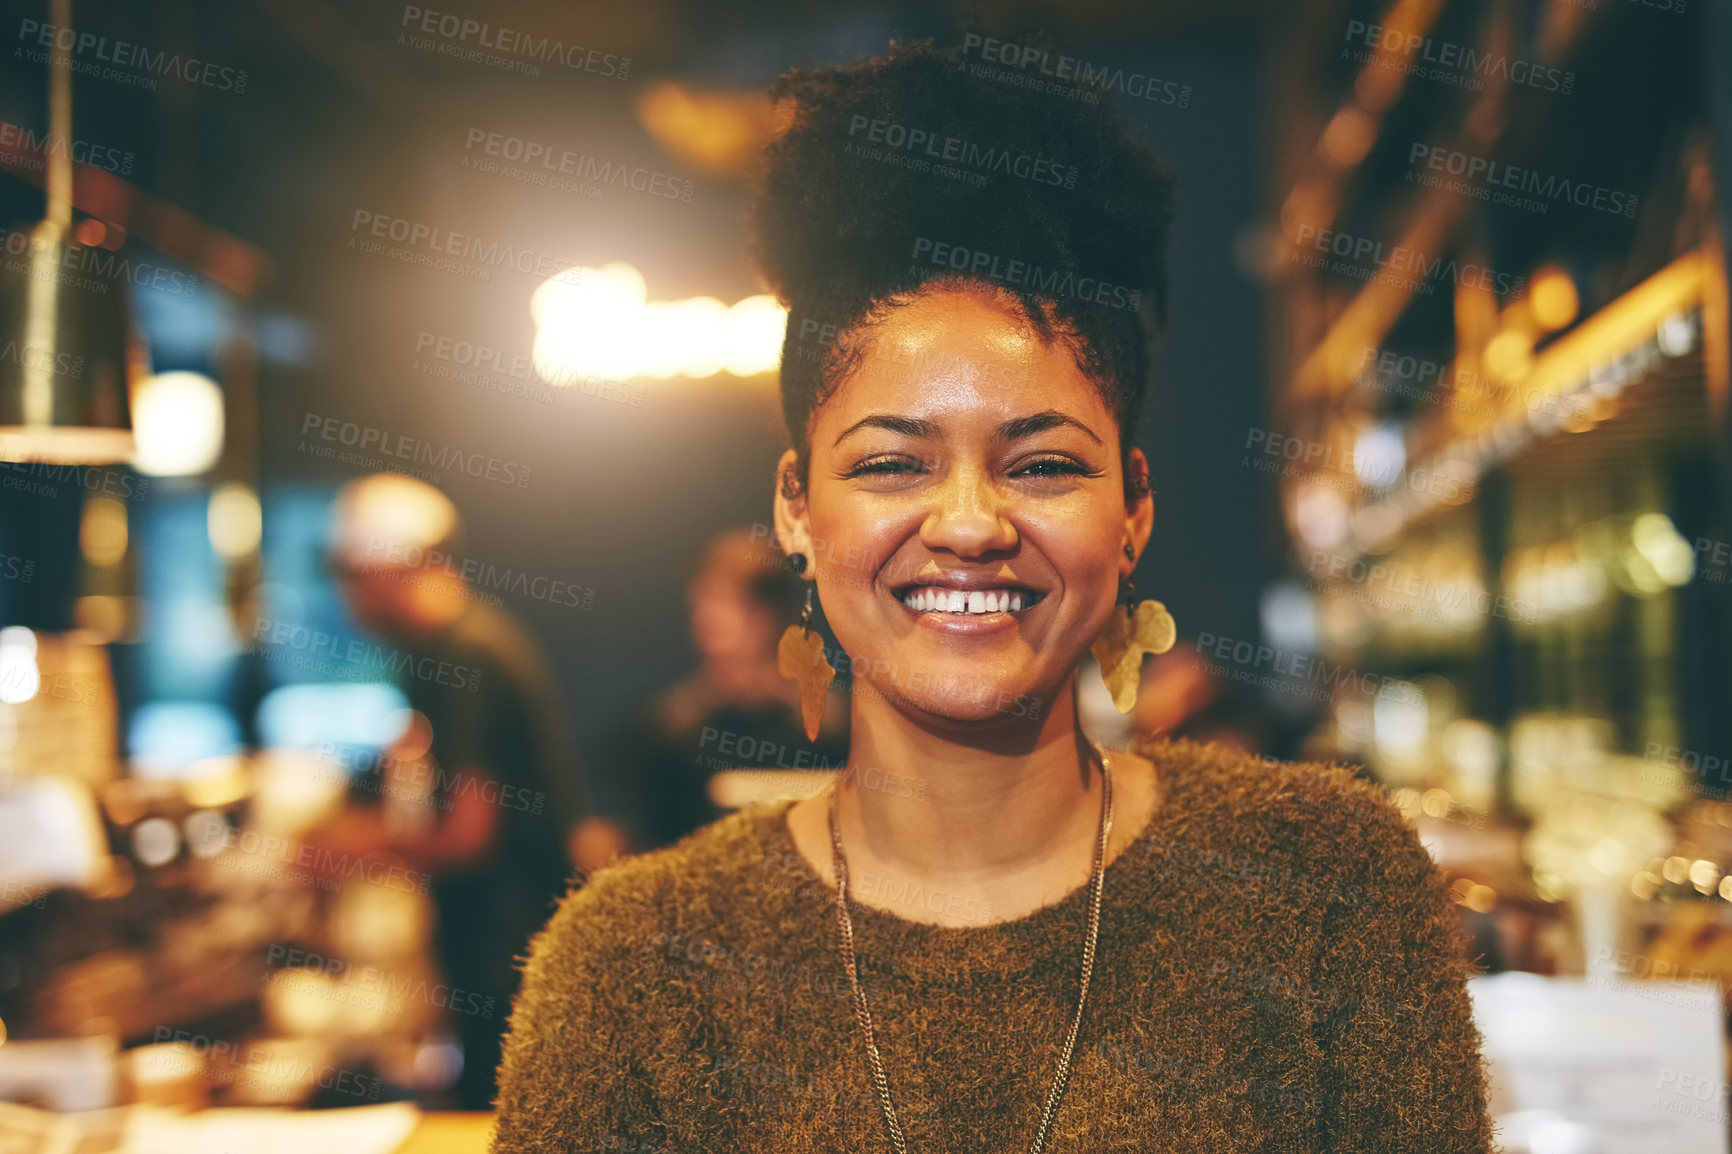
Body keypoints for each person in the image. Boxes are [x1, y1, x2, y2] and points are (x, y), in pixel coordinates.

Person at [493, 36, 1495, 1152]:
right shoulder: (635, 964)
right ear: (794, 506)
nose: (970, 523)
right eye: (891, 463)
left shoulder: (1324, 884)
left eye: (1043, 464)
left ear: (1134, 511)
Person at [312, 472, 626, 1111]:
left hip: (508, 953)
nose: (347, 597)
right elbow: (413, 757)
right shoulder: (449, 651)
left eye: (351, 576)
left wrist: (353, 850)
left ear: (390, 569)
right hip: (504, 951)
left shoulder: (467, 658)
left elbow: (470, 833)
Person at [611, 526, 848, 852]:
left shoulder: (835, 729)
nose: (704, 618)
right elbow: (638, 845)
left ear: (768, 615)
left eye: (722, 602)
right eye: (701, 601)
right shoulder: (665, 729)